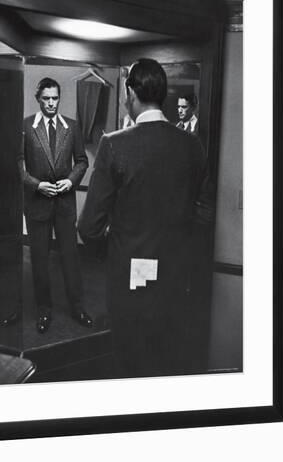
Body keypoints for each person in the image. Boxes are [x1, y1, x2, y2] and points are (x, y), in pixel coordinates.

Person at [78, 59, 213, 377]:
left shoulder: (114, 145)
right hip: (177, 279)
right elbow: (205, 214)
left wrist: (119, 248)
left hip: (129, 281)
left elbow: (89, 227)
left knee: (129, 364)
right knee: (168, 362)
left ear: (130, 92)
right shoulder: (192, 146)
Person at [19, 77, 93, 333]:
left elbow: (82, 161)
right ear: (38, 99)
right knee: (39, 259)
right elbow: (17, 164)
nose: (51, 103)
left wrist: (71, 182)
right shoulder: (26, 126)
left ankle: (77, 306)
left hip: (64, 203)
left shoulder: (71, 127)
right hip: (37, 203)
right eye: (46, 98)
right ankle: (44, 310)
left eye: (55, 98)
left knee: (70, 257)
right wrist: (36, 184)